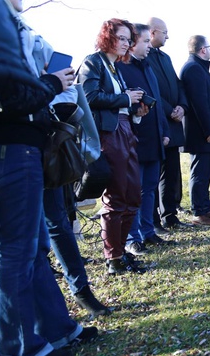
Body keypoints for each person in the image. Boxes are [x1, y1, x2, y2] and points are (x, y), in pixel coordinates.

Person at [0, 0, 98, 356]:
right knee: (16, 250)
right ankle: (15, 346)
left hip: (22, 149)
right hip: (9, 150)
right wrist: (52, 83)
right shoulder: (0, 35)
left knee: (34, 246)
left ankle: (54, 329)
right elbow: (12, 99)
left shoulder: (13, 33)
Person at [78, 18, 151, 275]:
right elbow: (88, 97)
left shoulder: (113, 66)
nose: (126, 43)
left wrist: (136, 109)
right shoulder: (93, 62)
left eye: (128, 39)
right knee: (117, 195)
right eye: (121, 38)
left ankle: (120, 253)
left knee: (133, 194)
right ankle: (114, 258)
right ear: (108, 37)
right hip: (108, 135)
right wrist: (124, 98)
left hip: (125, 130)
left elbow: (118, 103)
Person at [117, 23, 174, 255]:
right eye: (145, 42)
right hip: (133, 139)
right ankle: (133, 237)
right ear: (132, 43)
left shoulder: (147, 67)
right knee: (134, 189)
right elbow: (121, 104)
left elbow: (157, 101)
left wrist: (164, 131)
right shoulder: (121, 69)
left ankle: (149, 232)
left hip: (154, 138)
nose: (150, 45)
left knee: (149, 188)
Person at [145, 17, 190, 230]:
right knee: (154, 176)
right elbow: (149, 90)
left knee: (171, 173)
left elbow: (177, 84)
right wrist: (168, 109)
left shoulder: (165, 58)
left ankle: (170, 215)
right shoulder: (144, 59)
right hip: (157, 122)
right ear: (153, 32)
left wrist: (182, 105)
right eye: (164, 32)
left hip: (173, 123)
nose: (168, 36)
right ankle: (153, 220)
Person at [180, 35, 210, 226]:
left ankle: (205, 208)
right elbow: (199, 103)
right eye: (209, 47)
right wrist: (209, 129)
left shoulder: (198, 67)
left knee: (206, 169)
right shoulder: (193, 69)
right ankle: (199, 212)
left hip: (205, 133)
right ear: (202, 49)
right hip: (201, 133)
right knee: (199, 171)